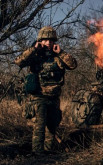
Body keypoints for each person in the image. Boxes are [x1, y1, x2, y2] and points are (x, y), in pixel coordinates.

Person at [14, 26, 77, 154]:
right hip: (38, 97)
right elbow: (19, 61)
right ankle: (37, 153)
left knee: (52, 127)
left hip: (54, 97)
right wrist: (33, 49)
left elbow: (73, 65)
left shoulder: (58, 56)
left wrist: (61, 53)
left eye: (51, 40)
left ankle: (48, 153)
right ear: (40, 41)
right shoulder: (35, 55)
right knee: (39, 127)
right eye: (45, 40)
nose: (48, 43)